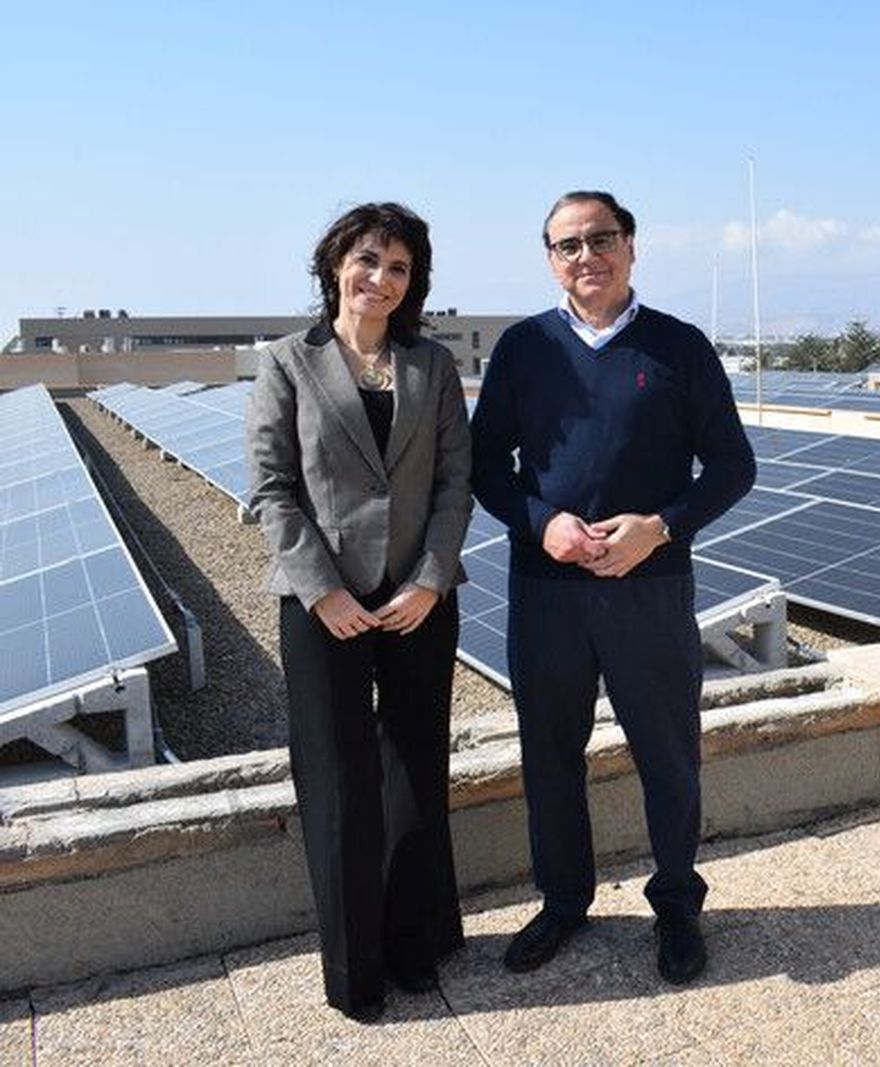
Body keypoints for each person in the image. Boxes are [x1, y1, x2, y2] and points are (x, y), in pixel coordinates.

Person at [470, 190, 755, 985]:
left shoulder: (680, 348)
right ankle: (564, 902)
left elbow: (734, 467)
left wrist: (658, 528)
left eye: (601, 239)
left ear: (631, 246)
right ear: (549, 257)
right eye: (568, 244)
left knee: (669, 755)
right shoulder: (523, 349)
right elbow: (485, 465)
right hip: (546, 591)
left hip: (651, 589)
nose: (586, 255)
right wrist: (541, 521)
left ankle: (676, 907)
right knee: (550, 756)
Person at [246, 201, 472, 1022]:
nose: (381, 279)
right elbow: (271, 489)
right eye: (368, 260)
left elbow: (454, 483)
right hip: (323, 605)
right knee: (339, 784)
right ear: (335, 262)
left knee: (415, 771)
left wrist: (431, 579)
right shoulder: (285, 362)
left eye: (400, 267)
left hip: (418, 597)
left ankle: (416, 946)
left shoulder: (431, 368)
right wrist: (323, 590)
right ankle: (355, 970)